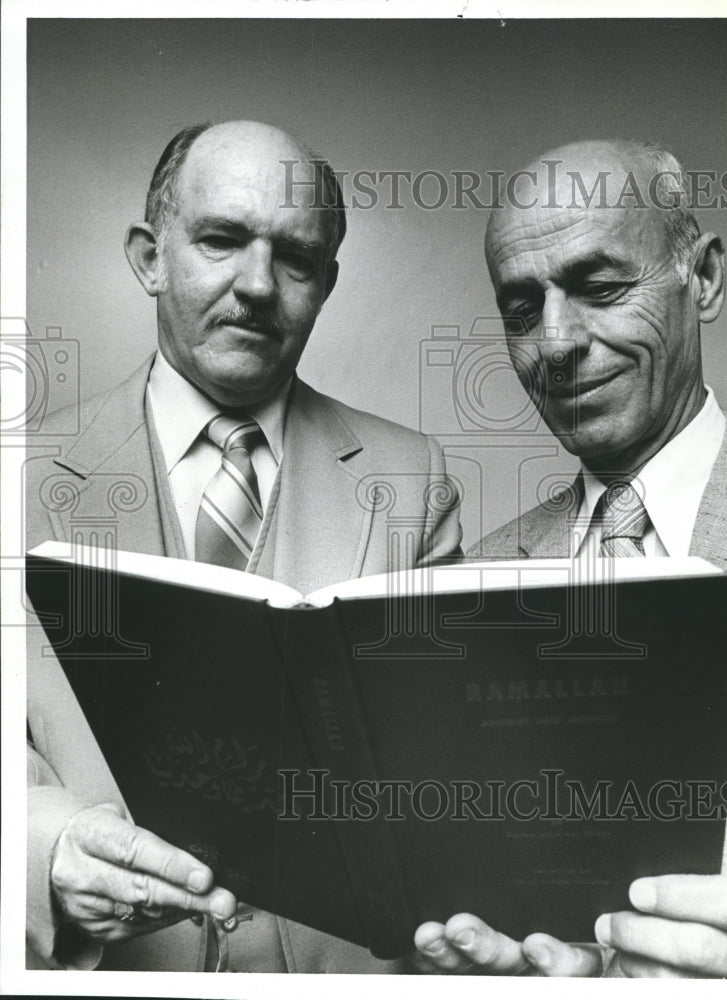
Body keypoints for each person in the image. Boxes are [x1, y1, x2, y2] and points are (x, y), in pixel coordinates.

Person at [25, 120, 462, 973]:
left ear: (326, 285)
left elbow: (439, 767)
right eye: (222, 239)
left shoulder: (415, 478)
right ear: (150, 257)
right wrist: (39, 849)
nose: (258, 285)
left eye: (295, 257)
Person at [413, 140, 727, 978]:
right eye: (518, 308)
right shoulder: (462, 585)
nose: (556, 341)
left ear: (705, 279)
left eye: (600, 290)